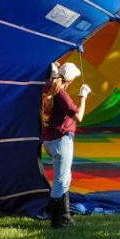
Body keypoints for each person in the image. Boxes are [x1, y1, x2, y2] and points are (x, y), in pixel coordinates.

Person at [41, 61, 90, 229]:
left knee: (65, 178)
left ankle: (65, 216)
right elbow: (79, 117)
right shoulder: (62, 94)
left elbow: (52, 79)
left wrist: (54, 69)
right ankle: (56, 221)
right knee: (61, 181)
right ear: (70, 81)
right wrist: (83, 96)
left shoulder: (50, 87)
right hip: (61, 140)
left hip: (50, 140)